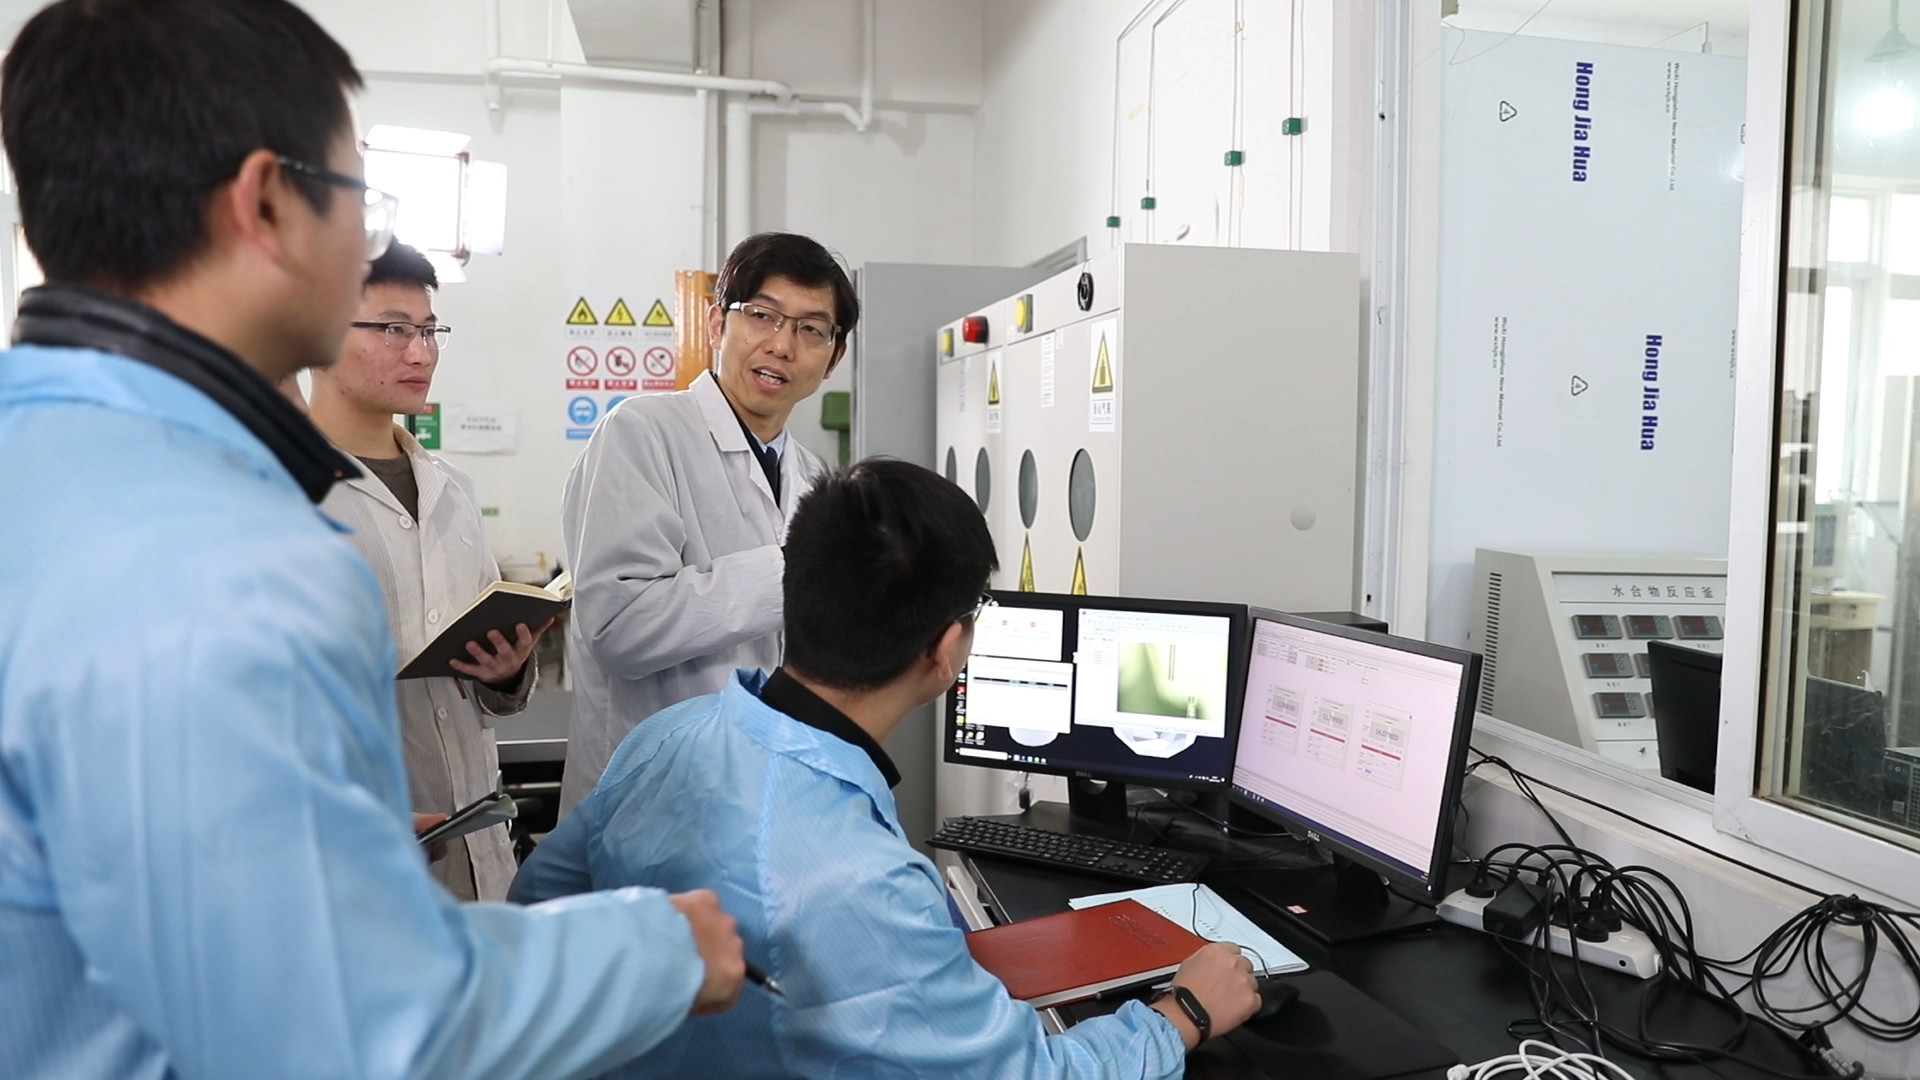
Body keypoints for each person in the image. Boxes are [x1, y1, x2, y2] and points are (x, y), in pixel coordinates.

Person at [0, 3, 743, 1077]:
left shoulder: (47, 459)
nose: (368, 248)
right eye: (362, 196)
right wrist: (661, 951)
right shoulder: (226, 555)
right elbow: (363, 1024)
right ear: (267, 202)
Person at [513, 459, 1262, 1078]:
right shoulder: (865, 880)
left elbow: (536, 913)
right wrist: (1185, 1014)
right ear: (947, 652)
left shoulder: (667, 737)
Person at [558, 231, 857, 812]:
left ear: (833, 358)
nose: (782, 345)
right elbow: (619, 629)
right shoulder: (641, 432)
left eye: (810, 329)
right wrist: (798, 571)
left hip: (764, 799)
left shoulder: (814, 476)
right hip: (651, 804)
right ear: (716, 325)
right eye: (763, 316)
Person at [307, 241, 547, 902]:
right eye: (393, 330)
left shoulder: (453, 491)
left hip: (476, 843)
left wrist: (505, 671)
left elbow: (490, 693)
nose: (420, 353)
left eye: (429, 331)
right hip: (356, 859)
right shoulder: (287, 492)